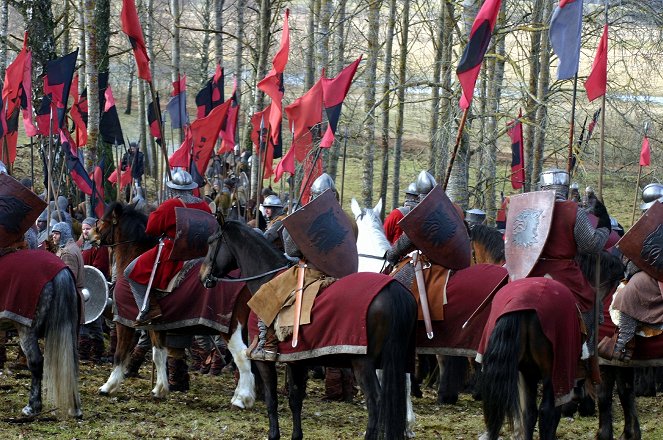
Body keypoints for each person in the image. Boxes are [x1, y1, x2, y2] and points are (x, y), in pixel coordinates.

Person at [530, 169, 610, 356]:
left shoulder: (529, 206)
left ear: (542, 188)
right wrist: (604, 225)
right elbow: (591, 246)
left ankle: (486, 349)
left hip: (528, 269)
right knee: (591, 304)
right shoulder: (574, 211)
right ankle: (584, 355)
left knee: (500, 295)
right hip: (563, 271)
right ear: (566, 189)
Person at [125, 169, 212, 326]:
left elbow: (151, 229)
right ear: (190, 188)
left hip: (174, 253)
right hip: (201, 252)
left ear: (174, 189)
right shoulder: (204, 205)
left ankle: (148, 309)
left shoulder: (171, 204)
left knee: (130, 271)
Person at [599, 186, 663, 362]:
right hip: (652, 271)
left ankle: (623, 342)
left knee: (629, 292)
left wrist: (634, 267)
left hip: (656, 275)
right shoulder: (650, 224)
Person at [77, 217, 110, 362]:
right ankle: (86, 351)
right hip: (83, 286)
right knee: (85, 319)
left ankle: (95, 352)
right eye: (83, 228)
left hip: (94, 287)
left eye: (88, 228)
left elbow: (99, 269)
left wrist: (89, 279)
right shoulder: (82, 245)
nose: (85, 231)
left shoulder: (99, 247)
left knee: (93, 320)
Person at [51, 222, 85, 297]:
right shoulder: (71, 247)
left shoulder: (67, 253)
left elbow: (69, 281)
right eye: (53, 234)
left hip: (69, 297)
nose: (53, 236)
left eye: (56, 234)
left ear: (64, 234)